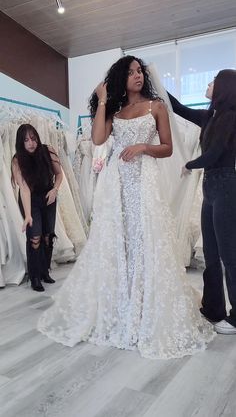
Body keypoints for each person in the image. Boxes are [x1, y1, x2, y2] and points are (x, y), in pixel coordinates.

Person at [38, 55, 214, 359]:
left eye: (140, 72)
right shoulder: (116, 111)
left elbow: (168, 147)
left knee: (144, 240)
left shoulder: (155, 107)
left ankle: (146, 304)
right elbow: (97, 139)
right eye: (131, 72)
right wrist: (103, 99)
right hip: (116, 183)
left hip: (144, 182)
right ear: (122, 77)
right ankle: (121, 301)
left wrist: (143, 147)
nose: (138, 76)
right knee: (119, 241)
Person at [168, 69, 236, 334]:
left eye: (212, 81)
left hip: (227, 187)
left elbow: (217, 152)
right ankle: (213, 307)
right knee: (210, 253)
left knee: (229, 256)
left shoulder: (231, 118)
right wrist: (155, 84)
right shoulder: (211, 116)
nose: (208, 84)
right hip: (211, 189)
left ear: (223, 88)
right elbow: (179, 108)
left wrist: (189, 164)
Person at [12, 124, 63, 292]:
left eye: (33, 138)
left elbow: (59, 174)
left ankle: (44, 271)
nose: (31, 143)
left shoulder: (48, 151)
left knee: (48, 236)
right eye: (26, 140)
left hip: (49, 196)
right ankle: (34, 276)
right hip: (30, 200)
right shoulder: (17, 160)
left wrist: (55, 189)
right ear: (21, 142)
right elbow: (24, 189)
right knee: (35, 238)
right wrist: (27, 215)